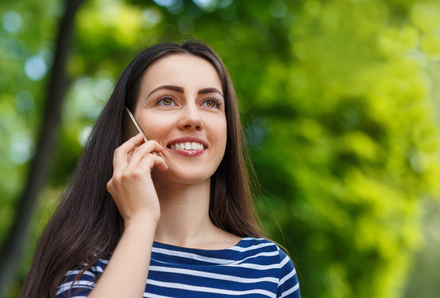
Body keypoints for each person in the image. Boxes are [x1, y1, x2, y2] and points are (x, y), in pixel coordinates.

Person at [20, 39, 300, 298]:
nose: (193, 117)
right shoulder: (83, 260)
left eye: (211, 103)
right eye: (167, 100)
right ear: (128, 124)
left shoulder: (270, 267)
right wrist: (141, 220)